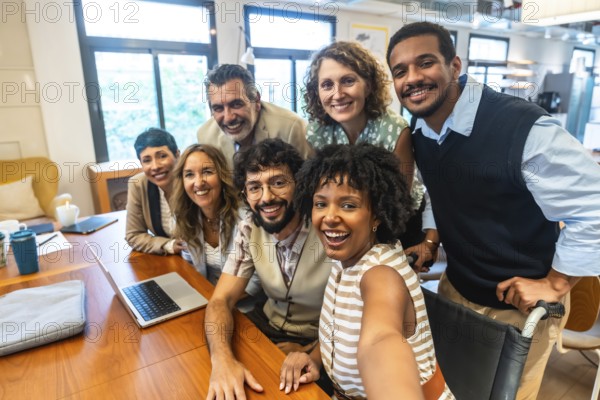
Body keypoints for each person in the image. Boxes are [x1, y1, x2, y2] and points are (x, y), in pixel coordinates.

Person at [387, 21, 600, 400]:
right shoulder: (420, 128)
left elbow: (594, 206)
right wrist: (432, 238)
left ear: (455, 66)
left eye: (425, 63)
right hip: (457, 288)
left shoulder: (522, 127)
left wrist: (555, 283)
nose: (413, 78)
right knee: (450, 390)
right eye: (400, 71)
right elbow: (441, 189)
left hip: (519, 308)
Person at [280, 143, 453, 399]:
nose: (330, 216)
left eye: (348, 205)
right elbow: (343, 326)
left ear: (376, 216)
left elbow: (380, 341)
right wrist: (315, 359)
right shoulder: (346, 256)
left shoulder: (381, 274)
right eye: (320, 204)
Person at [204, 139, 333, 399]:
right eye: (254, 187)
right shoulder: (250, 228)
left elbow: (355, 316)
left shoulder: (328, 228)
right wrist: (222, 361)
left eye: (278, 182)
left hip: (323, 342)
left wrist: (313, 354)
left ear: (299, 184)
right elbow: (221, 300)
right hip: (267, 328)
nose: (266, 198)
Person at [303, 41, 439, 269]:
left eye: (348, 81)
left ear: (368, 85)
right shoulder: (316, 132)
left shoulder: (395, 130)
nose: (337, 94)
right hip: (345, 221)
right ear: (317, 93)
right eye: (327, 85)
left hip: (396, 222)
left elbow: (398, 201)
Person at [170, 144, 262, 311]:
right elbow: (190, 266)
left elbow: (256, 280)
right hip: (204, 301)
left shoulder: (246, 218)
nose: (198, 182)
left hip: (245, 309)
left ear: (222, 176)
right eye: (189, 175)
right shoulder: (183, 217)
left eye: (207, 172)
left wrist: (216, 302)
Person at [197, 64, 313, 169]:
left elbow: (311, 182)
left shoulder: (292, 128)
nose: (228, 118)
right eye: (218, 108)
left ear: (256, 100)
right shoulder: (206, 136)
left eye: (236, 104)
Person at [125, 128, 185, 255]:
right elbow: (133, 235)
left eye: (162, 156)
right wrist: (169, 245)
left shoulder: (193, 181)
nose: (155, 166)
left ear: (177, 155)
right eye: (147, 160)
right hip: (172, 260)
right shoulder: (138, 184)